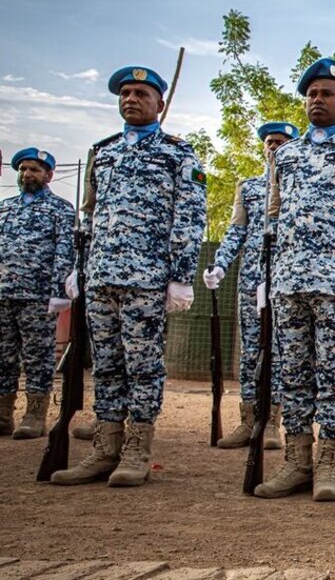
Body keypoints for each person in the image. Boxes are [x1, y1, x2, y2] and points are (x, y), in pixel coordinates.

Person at [52, 65, 207, 487]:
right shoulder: (102, 152)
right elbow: (89, 215)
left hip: (147, 277)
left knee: (142, 365)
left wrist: (180, 275)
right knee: (105, 365)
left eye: (141, 93)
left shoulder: (178, 154)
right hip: (101, 275)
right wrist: (77, 268)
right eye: (125, 93)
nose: (131, 99)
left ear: (160, 103)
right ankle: (105, 448)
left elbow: (191, 218)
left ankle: (137, 450)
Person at [253, 58, 335, 502]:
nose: (317, 99)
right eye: (311, 93)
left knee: (332, 374)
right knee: (291, 372)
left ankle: (329, 463)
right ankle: (296, 461)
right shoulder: (285, 156)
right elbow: (272, 222)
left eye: (327, 93)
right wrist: (264, 279)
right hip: (288, 281)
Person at [204, 122, 299, 450]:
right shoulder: (249, 188)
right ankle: (248, 420)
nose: (274, 147)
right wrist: (219, 264)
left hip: (284, 283)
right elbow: (235, 232)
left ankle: (272, 421)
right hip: (250, 283)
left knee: (279, 351)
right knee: (249, 353)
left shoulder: (300, 189)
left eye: (281, 142)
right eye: (270, 142)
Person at [0, 148, 74, 439]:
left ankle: (35, 415)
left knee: (38, 356)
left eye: (35, 170)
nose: (27, 174)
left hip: (39, 296)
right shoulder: (5, 208)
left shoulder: (60, 209)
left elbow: (65, 252)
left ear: (49, 175)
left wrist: (59, 291)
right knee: (3, 356)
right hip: (5, 293)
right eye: (23, 169)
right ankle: (4, 414)